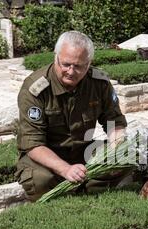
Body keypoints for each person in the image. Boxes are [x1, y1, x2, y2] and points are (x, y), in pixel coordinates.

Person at [15, 31, 130, 201]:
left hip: (82, 150)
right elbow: (33, 144)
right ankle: (74, 189)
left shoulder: (99, 83)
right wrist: (65, 169)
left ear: (89, 63)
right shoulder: (35, 89)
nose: (70, 71)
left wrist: (116, 146)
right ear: (56, 57)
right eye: (66, 64)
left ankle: (89, 191)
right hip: (46, 154)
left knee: (124, 158)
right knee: (40, 180)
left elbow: (114, 121)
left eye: (79, 66)